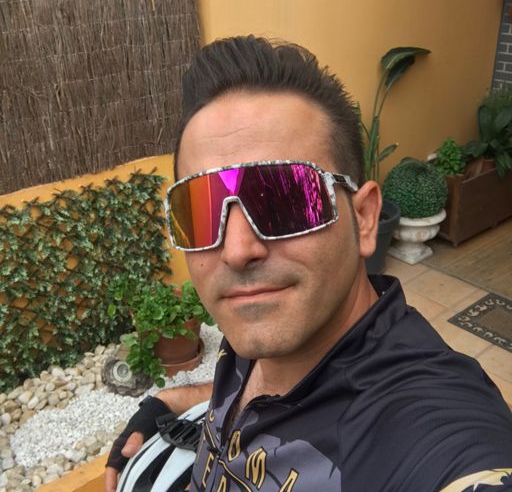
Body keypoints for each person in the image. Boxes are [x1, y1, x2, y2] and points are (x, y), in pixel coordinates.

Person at [105, 36, 512, 492]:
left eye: (284, 199)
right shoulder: (261, 330)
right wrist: (170, 400)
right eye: (200, 211)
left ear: (364, 218)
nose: (236, 250)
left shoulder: (428, 427)